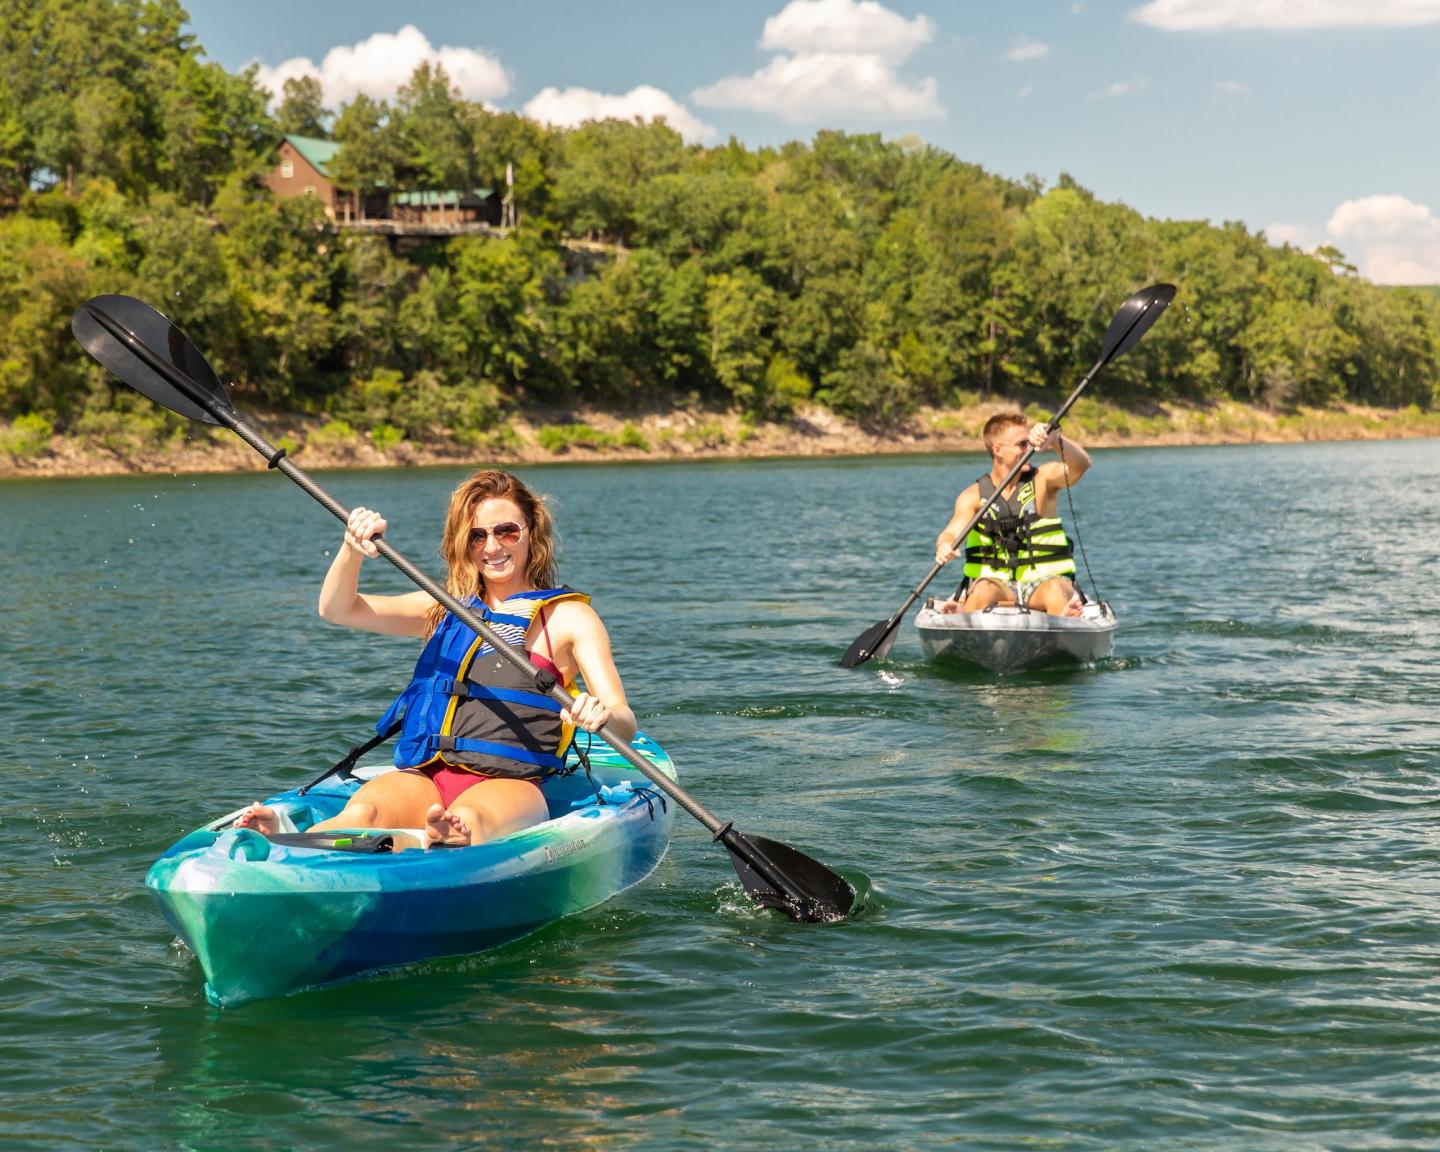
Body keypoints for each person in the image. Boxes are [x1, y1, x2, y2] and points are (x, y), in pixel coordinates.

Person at [238, 469, 635, 848]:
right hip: (426, 775)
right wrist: (351, 549)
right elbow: (339, 610)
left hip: (511, 784)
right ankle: (288, 837)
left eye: (507, 531)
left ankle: (440, 839)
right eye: (477, 536)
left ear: (533, 531)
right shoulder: (444, 608)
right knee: (366, 810)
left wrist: (599, 715)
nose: (492, 547)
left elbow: (624, 723)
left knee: (469, 821)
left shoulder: (569, 618)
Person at [933, 412, 1091, 617]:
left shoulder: (1043, 480)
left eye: (1030, 442)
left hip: (1042, 584)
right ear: (997, 450)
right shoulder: (972, 496)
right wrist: (944, 545)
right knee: (982, 590)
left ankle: (1064, 623)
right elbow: (950, 533)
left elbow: (1080, 465)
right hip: (997, 586)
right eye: (1022, 444)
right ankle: (967, 624)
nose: (1030, 449)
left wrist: (1054, 439)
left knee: (1055, 591)